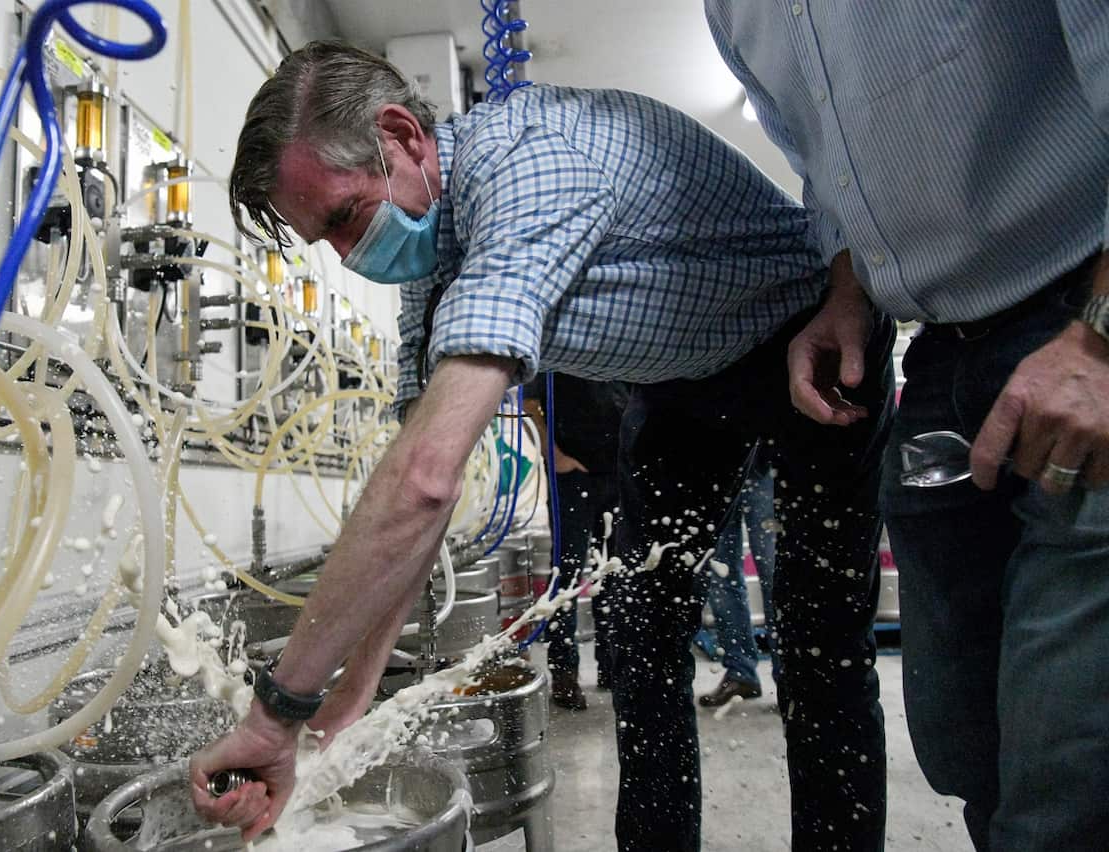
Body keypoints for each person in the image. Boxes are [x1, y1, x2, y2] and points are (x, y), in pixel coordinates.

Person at [192, 41, 895, 851]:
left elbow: (420, 480)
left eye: (346, 217)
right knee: (639, 636)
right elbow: (425, 496)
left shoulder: (532, 166)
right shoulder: (432, 256)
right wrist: (349, 698)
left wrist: (277, 712)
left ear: (402, 136)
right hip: (681, 378)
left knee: (818, 647)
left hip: (807, 334)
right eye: (326, 240)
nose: (352, 256)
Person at [704, 4, 1109, 850]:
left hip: (1081, 319)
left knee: (1065, 777)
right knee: (969, 752)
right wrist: (846, 293)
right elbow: (831, 174)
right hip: (940, 355)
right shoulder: (732, 11)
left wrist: (1102, 334)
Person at [522, 373, 627, 710]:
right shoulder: (560, 346)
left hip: (617, 472)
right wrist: (554, 456)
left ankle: (612, 665)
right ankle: (564, 672)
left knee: (613, 572)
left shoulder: (624, 344)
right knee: (566, 571)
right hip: (572, 475)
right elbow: (527, 403)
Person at [695, 446, 778, 708]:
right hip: (715, 466)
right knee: (721, 579)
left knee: (775, 576)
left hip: (766, 462)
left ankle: (791, 679)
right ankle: (740, 672)